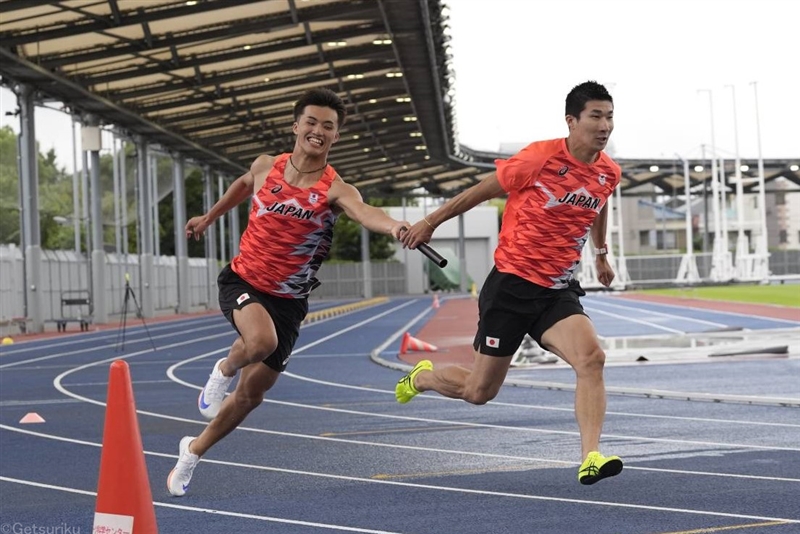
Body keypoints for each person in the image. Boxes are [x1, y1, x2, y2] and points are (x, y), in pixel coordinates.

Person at [168, 88, 409, 496]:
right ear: (296, 125)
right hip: (243, 280)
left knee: (251, 397)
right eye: (311, 122)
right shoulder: (267, 166)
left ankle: (191, 452)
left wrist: (397, 227)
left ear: (335, 136)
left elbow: (367, 213)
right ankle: (222, 371)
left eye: (328, 127)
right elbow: (244, 184)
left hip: (289, 300)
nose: (318, 131)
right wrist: (209, 217)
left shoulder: (336, 190)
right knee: (260, 342)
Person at [397, 81, 623, 485]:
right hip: (511, 286)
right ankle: (424, 377)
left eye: (609, 116)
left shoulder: (609, 172)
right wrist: (430, 222)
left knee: (592, 359)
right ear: (571, 121)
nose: (604, 125)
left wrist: (601, 254)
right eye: (595, 116)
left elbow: (599, 204)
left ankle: (590, 455)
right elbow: (478, 192)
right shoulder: (538, 158)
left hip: (557, 290)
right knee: (479, 392)